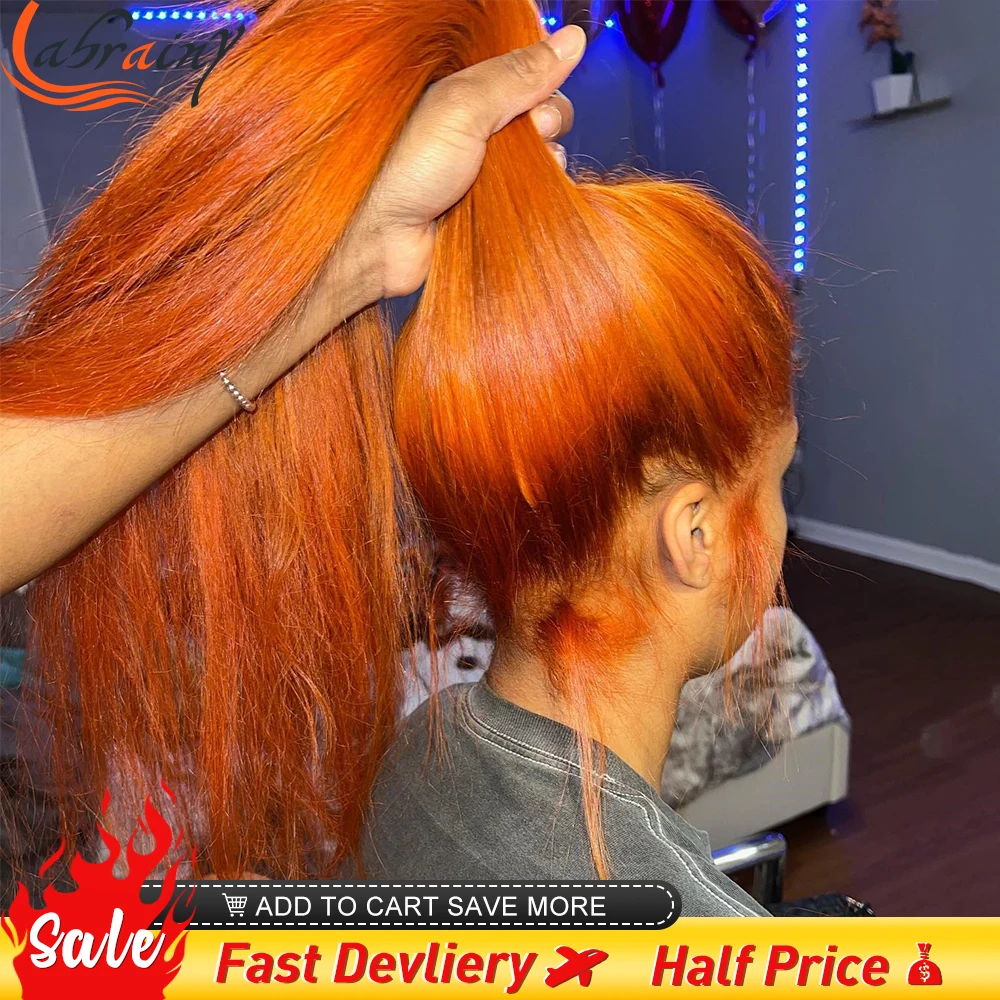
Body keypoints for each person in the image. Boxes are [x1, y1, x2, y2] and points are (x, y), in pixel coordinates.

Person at [2, 1, 793, 920]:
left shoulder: (427, 746)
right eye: (776, 479)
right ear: (693, 532)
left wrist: (355, 250)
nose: (782, 522)